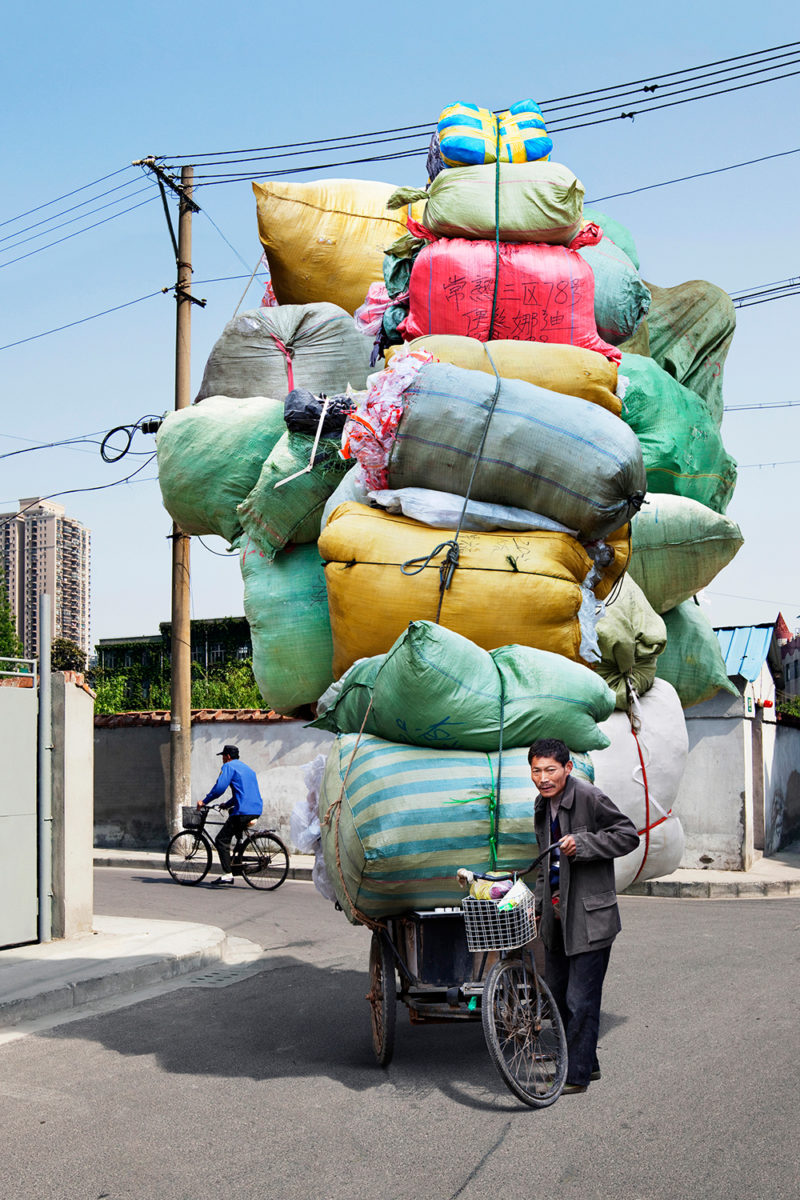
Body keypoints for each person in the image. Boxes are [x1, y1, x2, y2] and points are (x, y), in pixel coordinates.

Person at [529, 737, 639, 1094]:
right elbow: (547, 865)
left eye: (550, 770)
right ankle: (586, 1063)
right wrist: (539, 906)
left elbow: (627, 835)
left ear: (567, 769)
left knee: (581, 998)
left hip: (591, 918)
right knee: (558, 994)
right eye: (536, 770)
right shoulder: (542, 805)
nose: (543, 778)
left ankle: (574, 1076)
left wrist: (586, 844)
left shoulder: (589, 797)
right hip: (557, 919)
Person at [198, 744, 264, 886]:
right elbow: (242, 794)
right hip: (256, 809)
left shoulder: (228, 767)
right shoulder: (248, 769)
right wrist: (226, 805)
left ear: (227, 756)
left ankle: (227, 874)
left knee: (221, 840)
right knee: (234, 828)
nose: (222, 759)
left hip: (243, 811)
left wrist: (204, 801)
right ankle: (238, 857)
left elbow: (219, 789)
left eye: (222, 756)